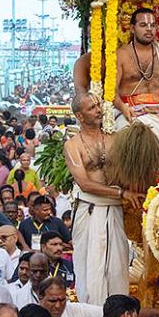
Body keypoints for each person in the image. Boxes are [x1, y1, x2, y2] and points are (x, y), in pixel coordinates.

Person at [65, 93, 141, 304]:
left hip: (115, 210)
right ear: (80, 115)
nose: (98, 110)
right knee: (90, 273)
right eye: (92, 107)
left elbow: (127, 173)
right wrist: (121, 194)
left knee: (117, 269)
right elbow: (84, 183)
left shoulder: (114, 139)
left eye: (98, 105)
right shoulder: (73, 146)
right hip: (90, 209)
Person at [113, 9, 159, 155]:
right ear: (132, 28)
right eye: (143, 25)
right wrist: (123, 108)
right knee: (134, 141)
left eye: (153, 25)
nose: (149, 29)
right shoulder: (121, 54)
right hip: (131, 112)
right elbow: (111, 91)